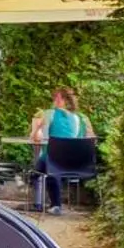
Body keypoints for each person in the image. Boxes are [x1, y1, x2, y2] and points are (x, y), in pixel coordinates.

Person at [28, 86, 93, 214]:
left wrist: (37, 128)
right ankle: (52, 204)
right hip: (78, 163)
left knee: (40, 170)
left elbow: (36, 139)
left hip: (54, 160)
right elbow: (91, 138)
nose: (54, 100)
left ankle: (41, 203)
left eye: (56, 97)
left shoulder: (50, 114)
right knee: (50, 166)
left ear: (60, 100)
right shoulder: (82, 118)